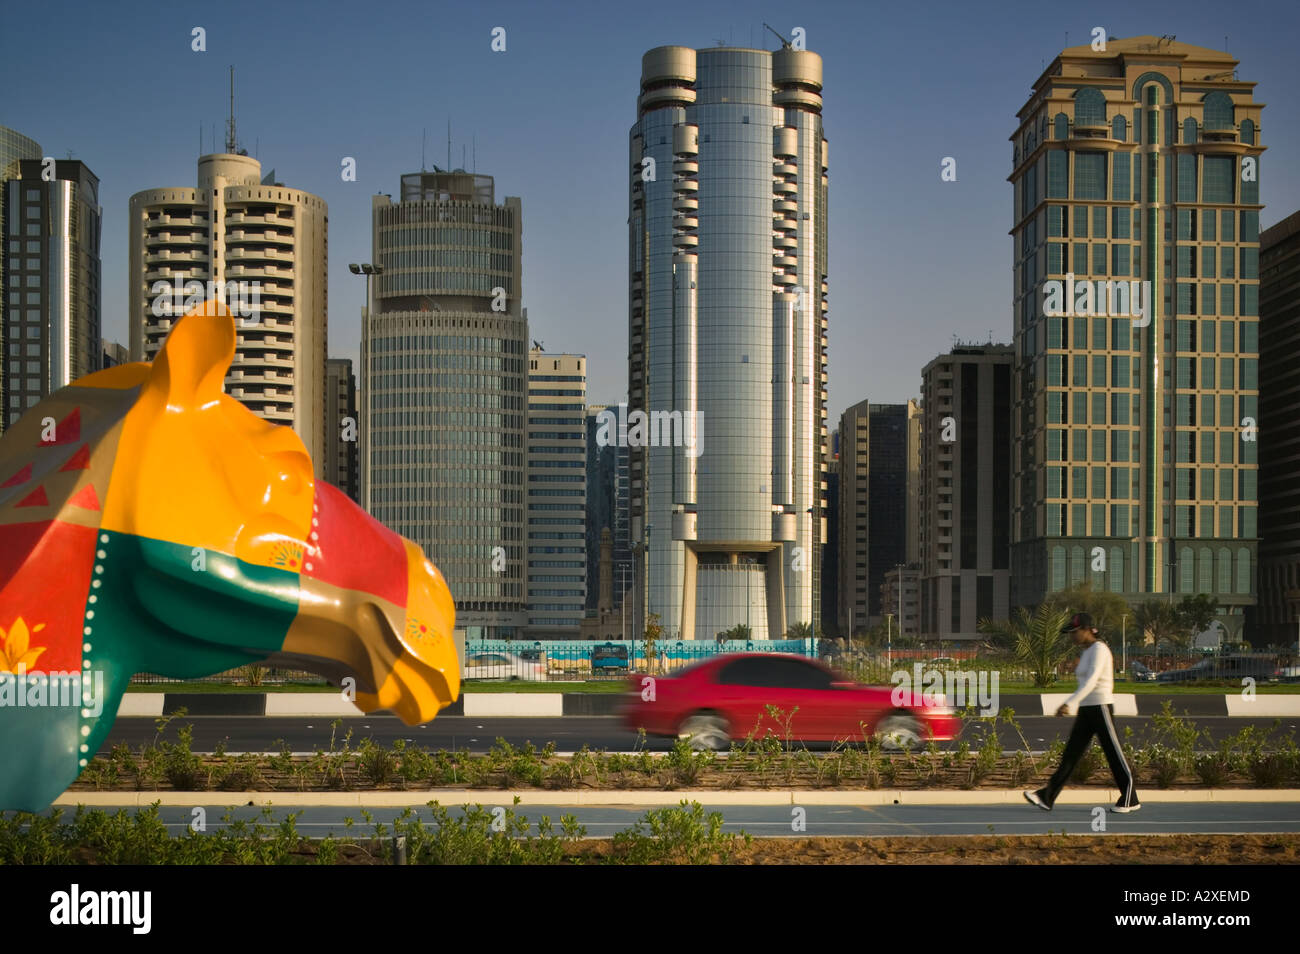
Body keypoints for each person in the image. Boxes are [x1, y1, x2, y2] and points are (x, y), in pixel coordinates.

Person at [1024, 612, 1140, 813]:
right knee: (1071, 753)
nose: (1072, 636)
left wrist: (1069, 702)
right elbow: (1085, 682)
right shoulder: (1087, 652)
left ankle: (1130, 798)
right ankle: (1047, 796)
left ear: (1087, 630)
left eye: (1075, 632)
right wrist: (1077, 703)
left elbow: (1092, 681)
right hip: (1087, 708)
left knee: (1113, 752)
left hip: (1101, 706)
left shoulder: (1099, 649)